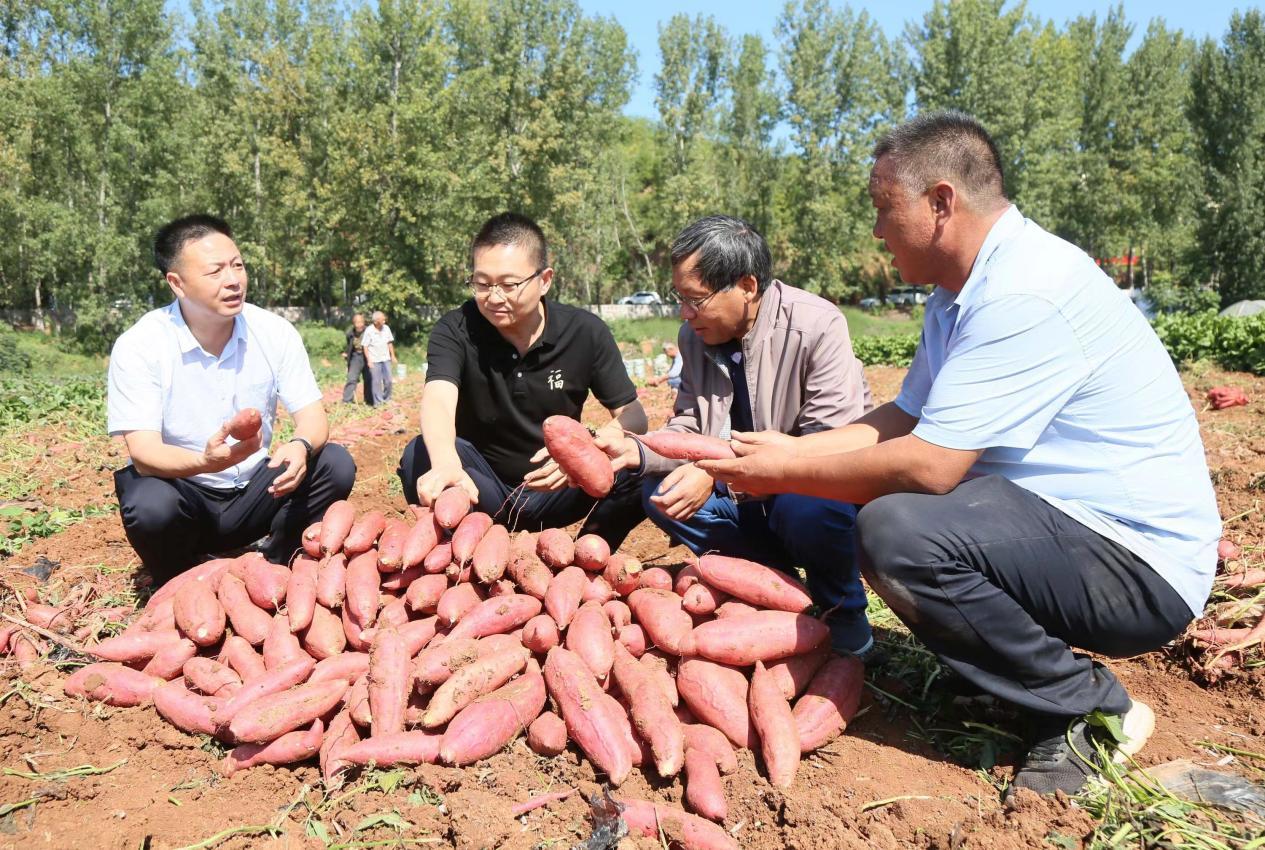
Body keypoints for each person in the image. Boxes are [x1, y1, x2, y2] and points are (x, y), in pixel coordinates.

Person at [696, 112, 1221, 797]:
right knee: (891, 512)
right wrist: (790, 451)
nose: (876, 232)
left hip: (1136, 566)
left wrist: (782, 470)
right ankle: (1022, 683)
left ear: (941, 202)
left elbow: (926, 465)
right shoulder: (957, 296)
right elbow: (902, 417)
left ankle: (1090, 711)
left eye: (883, 210)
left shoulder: (1023, 289)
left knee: (896, 528)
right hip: (1064, 530)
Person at [598, 215, 875, 655]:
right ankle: (772, 583)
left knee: (809, 507)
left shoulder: (817, 326)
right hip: (745, 487)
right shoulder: (695, 338)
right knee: (659, 491)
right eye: (680, 299)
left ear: (747, 286)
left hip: (806, 482)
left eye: (696, 300)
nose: (685, 315)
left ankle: (842, 608)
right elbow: (688, 423)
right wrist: (638, 449)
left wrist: (715, 471)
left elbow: (829, 443)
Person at [108, 214, 356, 585]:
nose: (233, 280)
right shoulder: (141, 345)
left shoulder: (273, 332)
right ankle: (181, 582)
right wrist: (204, 461)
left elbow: (313, 417)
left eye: (237, 265)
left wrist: (301, 445)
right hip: (186, 495)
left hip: (258, 490)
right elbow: (144, 453)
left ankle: (276, 563)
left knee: (334, 463)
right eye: (215, 272)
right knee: (148, 502)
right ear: (177, 283)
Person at [396, 212, 649, 547]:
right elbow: (439, 399)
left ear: (544, 280)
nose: (493, 297)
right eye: (482, 283)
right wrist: (446, 464)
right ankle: (468, 553)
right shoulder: (456, 329)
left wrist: (582, 452)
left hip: (561, 489)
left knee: (640, 464)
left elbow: (634, 416)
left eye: (508, 284)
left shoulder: (585, 332)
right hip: (480, 488)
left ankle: (588, 554)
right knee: (420, 453)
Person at [362, 310, 397, 404]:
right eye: (382, 320)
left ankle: (387, 398)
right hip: (374, 360)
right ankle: (378, 402)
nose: (384, 321)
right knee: (376, 382)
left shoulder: (386, 328)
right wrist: (369, 360)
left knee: (389, 380)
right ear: (376, 321)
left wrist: (393, 355)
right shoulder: (369, 330)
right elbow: (365, 346)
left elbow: (389, 342)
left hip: (386, 358)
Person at [341, 312, 373, 404]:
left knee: (369, 379)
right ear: (354, 323)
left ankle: (369, 401)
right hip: (356, 357)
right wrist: (347, 354)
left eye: (361, 322)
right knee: (351, 378)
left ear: (364, 323)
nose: (359, 325)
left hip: (368, 356)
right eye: (357, 323)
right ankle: (347, 401)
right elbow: (349, 345)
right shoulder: (350, 333)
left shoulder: (369, 331)